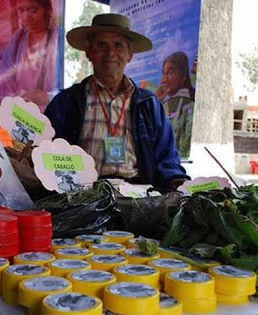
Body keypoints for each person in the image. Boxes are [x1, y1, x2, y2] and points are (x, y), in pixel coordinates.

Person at [44, 13, 189, 191]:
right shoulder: (66, 102)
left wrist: (176, 180)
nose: (110, 53)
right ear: (89, 52)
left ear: (129, 55)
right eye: (101, 45)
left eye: (118, 45)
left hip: (138, 193)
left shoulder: (149, 104)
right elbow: (47, 151)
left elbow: (167, 158)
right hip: (83, 193)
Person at [0, 0, 62, 111]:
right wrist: (19, 98)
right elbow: (4, 80)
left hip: (51, 119)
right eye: (21, 10)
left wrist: (47, 97)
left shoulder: (59, 38)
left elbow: (70, 88)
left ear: (48, 10)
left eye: (33, 10)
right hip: (20, 116)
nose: (26, 17)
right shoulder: (18, 38)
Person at [155, 51, 195, 158]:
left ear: (183, 76)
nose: (163, 80)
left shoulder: (189, 105)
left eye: (170, 73)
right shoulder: (162, 104)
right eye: (163, 73)